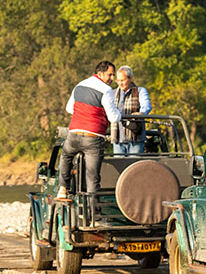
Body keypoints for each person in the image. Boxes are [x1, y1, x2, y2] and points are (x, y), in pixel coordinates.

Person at [56, 61, 122, 201]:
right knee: (92, 177)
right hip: (93, 137)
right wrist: (118, 114)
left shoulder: (79, 85)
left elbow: (69, 108)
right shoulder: (106, 90)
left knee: (66, 156)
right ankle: (93, 215)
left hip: (74, 133)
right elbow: (113, 116)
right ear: (100, 73)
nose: (112, 78)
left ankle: (63, 188)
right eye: (110, 74)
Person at [110, 65, 152, 154]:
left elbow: (146, 106)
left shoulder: (140, 91)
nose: (120, 83)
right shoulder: (112, 93)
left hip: (135, 138)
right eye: (118, 80)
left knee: (135, 166)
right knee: (120, 166)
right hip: (118, 139)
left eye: (123, 80)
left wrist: (141, 113)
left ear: (131, 78)